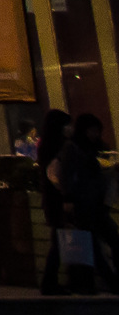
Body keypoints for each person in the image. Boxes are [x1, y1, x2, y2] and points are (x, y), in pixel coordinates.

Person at [53, 113, 119, 294]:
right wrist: (68, 199)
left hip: (98, 203)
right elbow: (65, 174)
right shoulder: (72, 148)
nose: (94, 134)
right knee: (92, 244)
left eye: (97, 131)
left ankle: (110, 281)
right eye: (91, 130)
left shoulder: (99, 148)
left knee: (111, 238)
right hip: (82, 202)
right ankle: (109, 282)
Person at [34, 107, 71, 293]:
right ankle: (50, 281)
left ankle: (51, 281)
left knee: (58, 240)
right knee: (58, 241)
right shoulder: (58, 146)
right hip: (58, 199)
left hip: (51, 199)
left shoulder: (46, 145)